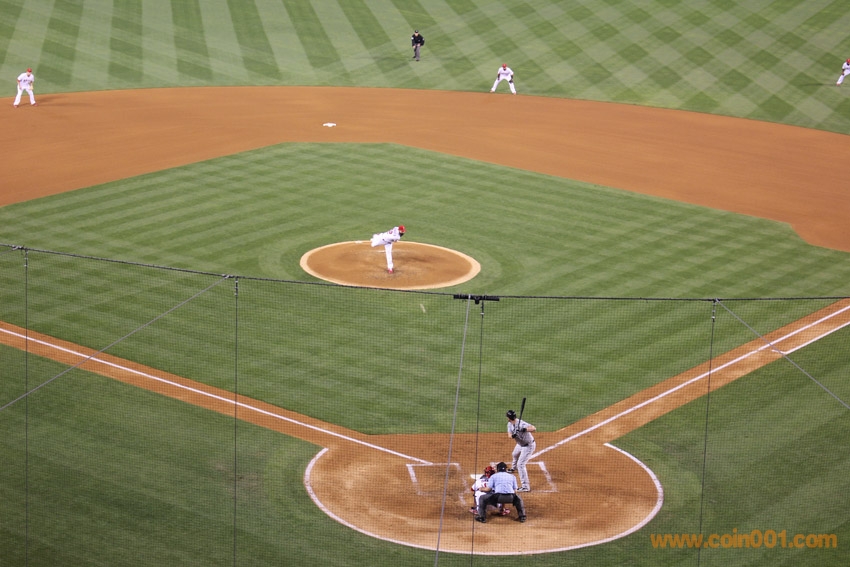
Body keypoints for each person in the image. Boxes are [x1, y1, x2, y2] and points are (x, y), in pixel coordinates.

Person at [506, 409, 536, 492]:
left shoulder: (521, 423)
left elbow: (534, 428)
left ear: (508, 417)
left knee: (521, 464)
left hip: (528, 446)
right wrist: (513, 435)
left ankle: (525, 486)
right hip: (520, 444)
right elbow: (509, 435)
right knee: (515, 454)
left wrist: (525, 429)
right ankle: (514, 468)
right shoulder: (509, 424)